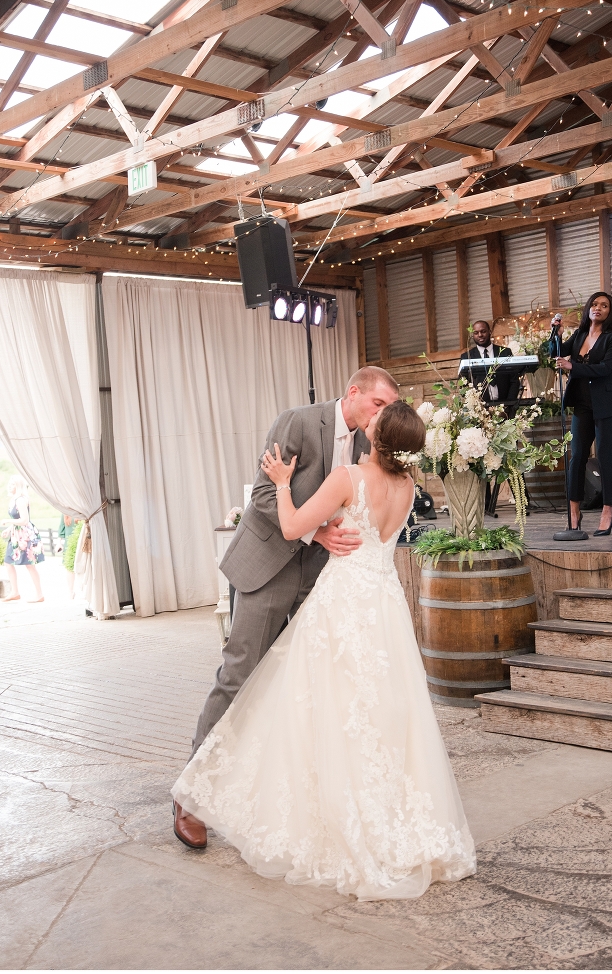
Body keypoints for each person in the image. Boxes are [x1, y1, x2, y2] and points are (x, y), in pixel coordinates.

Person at [171, 401, 476, 900]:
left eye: (376, 420)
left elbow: (292, 527)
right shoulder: (406, 487)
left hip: (342, 601)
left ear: (377, 437)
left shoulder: (348, 477)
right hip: (382, 604)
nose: (368, 422)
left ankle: (323, 808)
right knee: (376, 712)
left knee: (318, 702)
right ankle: (386, 815)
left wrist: (283, 482)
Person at [174, 367, 400, 850]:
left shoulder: (372, 447)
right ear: (354, 393)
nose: (382, 416)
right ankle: (190, 796)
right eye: (378, 405)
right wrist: (315, 531)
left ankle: (262, 793)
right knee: (238, 675)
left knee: (288, 686)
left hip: (321, 580)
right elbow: (261, 495)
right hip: (269, 566)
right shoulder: (299, 422)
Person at [551, 292, 612, 536]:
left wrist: (573, 365)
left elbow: (606, 368)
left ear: (609, 311)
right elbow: (555, 351)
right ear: (588, 309)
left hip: (608, 403)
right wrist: (556, 334)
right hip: (582, 403)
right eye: (594, 304)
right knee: (577, 457)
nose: (598, 308)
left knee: (605, 455)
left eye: (604, 306)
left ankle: (608, 510)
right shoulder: (580, 334)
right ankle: (574, 511)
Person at [459, 320, 521, 409]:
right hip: (480, 410)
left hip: (505, 407)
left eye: (483, 331)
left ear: (490, 332)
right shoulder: (467, 357)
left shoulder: (505, 352)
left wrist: (508, 405)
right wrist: (476, 407)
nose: (480, 335)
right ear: (473, 335)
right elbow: (463, 384)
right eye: (476, 333)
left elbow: (514, 380)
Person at [2, 476, 45, 601]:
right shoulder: (14, 500)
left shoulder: (21, 500)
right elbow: (17, 521)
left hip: (25, 535)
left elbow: (25, 520)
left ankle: (39, 594)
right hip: (16, 535)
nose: (10, 486)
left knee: (30, 564)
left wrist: (8, 521)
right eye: (9, 484)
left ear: (18, 486)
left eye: (13, 484)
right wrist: (9, 529)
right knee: (8, 561)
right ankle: (15, 592)